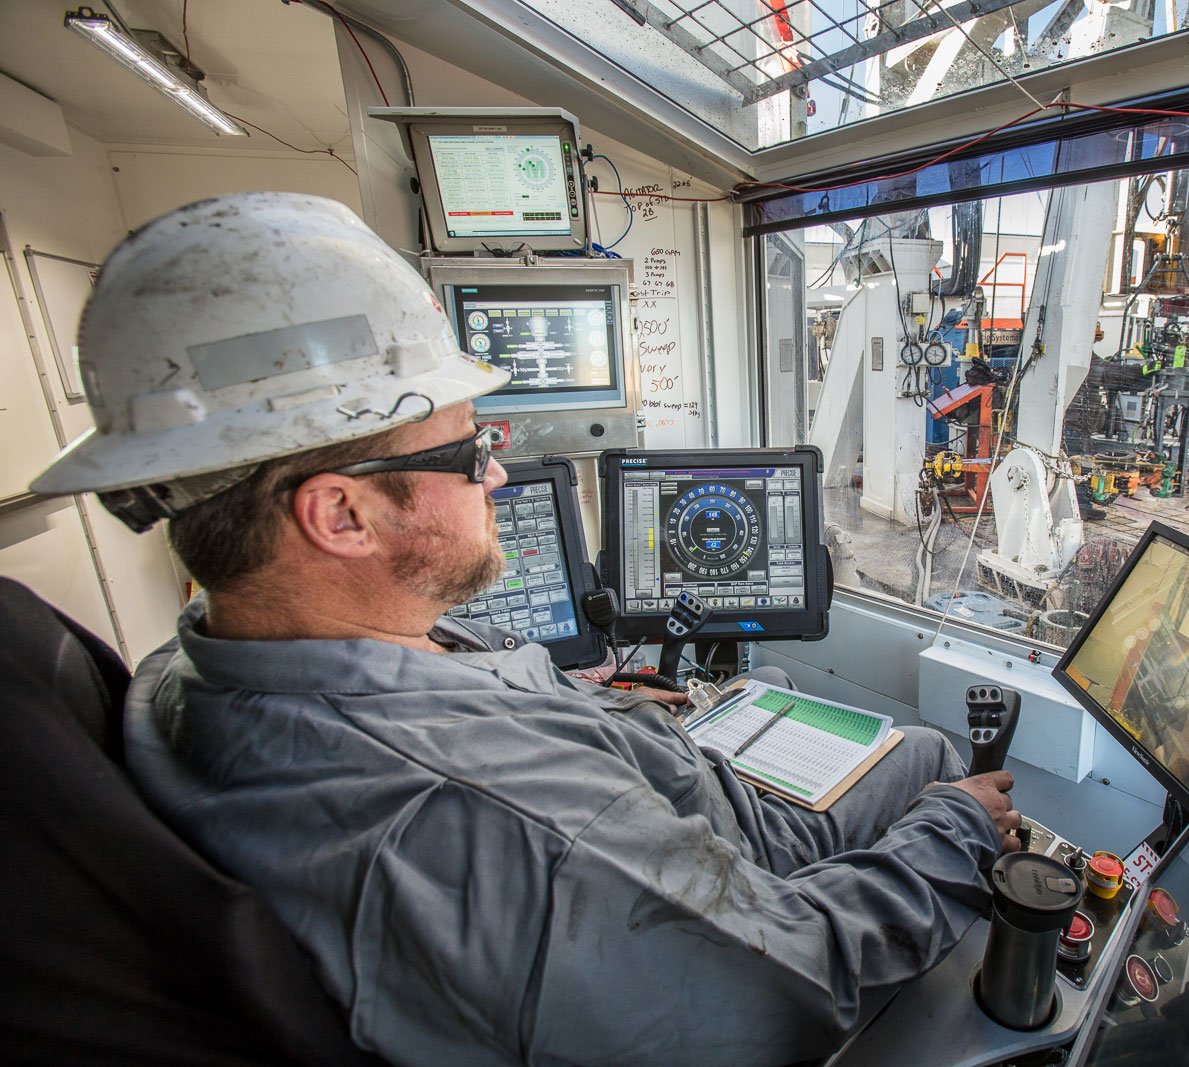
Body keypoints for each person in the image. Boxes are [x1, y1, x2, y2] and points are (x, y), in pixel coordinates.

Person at [29, 193, 1023, 1067]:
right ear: (341, 515)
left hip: (687, 811)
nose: (498, 473)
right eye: (471, 448)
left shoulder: (187, 668)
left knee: (925, 749)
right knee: (947, 779)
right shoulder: (503, 829)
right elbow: (791, 984)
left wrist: (584, 711)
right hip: (746, 891)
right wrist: (959, 831)